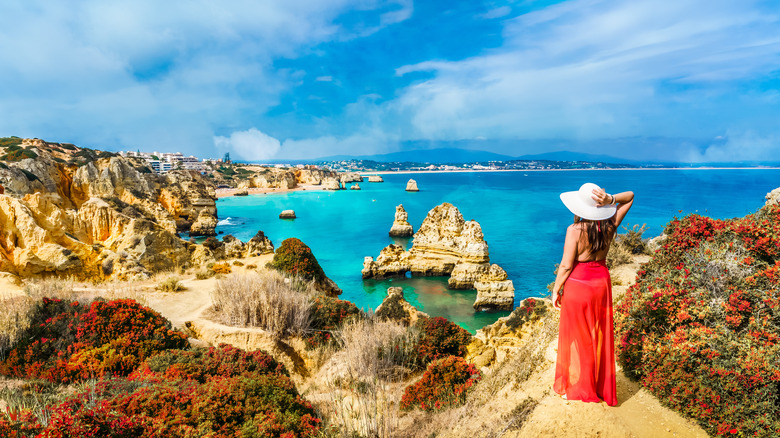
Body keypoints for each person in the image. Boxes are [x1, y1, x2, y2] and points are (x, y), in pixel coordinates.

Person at [551, 182, 634, 406]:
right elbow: (630, 196)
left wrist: (556, 289)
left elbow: (566, 266)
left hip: (579, 285)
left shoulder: (574, 230)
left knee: (582, 338)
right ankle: (598, 386)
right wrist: (611, 199)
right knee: (598, 334)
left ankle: (583, 388)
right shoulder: (610, 225)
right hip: (602, 283)